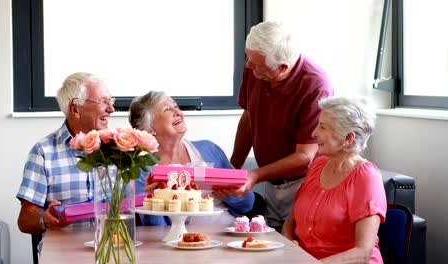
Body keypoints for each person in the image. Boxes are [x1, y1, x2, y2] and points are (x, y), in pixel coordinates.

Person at [229, 21, 334, 231]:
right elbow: (249, 119)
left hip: (305, 182)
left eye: (255, 63)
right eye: (248, 57)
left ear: (283, 67)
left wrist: (255, 175)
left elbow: (305, 157)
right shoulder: (255, 68)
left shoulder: (316, 86)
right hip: (273, 182)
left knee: (295, 247)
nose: (248, 65)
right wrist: (233, 169)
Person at [16, 72, 115, 252]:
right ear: (75, 109)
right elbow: (25, 220)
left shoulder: (119, 149)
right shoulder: (43, 152)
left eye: (111, 101)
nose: (111, 109)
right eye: (103, 102)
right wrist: (44, 219)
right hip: (64, 254)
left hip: (113, 251)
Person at [282, 96, 387, 263]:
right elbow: (290, 222)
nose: (314, 133)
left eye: (322, 127)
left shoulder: (366, 177)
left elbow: (363, 253)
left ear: (348, 138)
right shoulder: (318, 165)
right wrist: (289, 246)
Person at [128, 91, 255, 225]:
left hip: (227, 234)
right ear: (149, 129)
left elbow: (248, 204)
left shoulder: (209, 150)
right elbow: (153, 227)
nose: (178, 112)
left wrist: (231, 195)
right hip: (179, 241)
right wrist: (155, 198)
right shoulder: (141, 170)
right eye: (167, 109)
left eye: (176, 106)